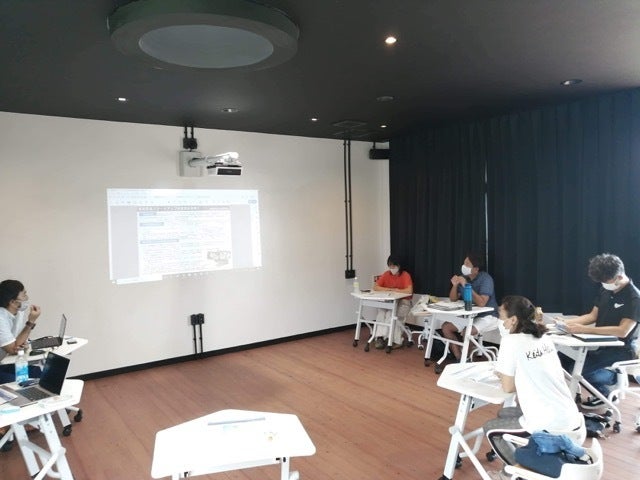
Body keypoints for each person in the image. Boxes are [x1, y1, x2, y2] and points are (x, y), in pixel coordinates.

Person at [484, 295, 586, 478]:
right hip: (571, 417)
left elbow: (507, 387)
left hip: (549, 424)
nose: (500, 322)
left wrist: (504, 375)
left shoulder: (511, 341)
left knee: (490, 429)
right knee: (504, 413)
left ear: (513, 320)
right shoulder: (543, 336)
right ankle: (526, 457)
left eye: (501, 316)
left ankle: (517, 473)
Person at [559, 253, 640, 408]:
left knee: (578, 371)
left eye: (606, 281)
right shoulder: (606, 290)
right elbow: (592, 316)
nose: (604, 284)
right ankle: (603, 383)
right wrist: (565, 323)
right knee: (560, 358)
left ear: (619, 277)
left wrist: (584, 329)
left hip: (621, 349)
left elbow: (623, 331)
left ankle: (610, 384)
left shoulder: (634, 298)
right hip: (600, 345)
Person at [440, 251, 499, 363]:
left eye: (467, 264)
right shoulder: (463, 277)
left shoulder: (486, 279)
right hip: (469, 316)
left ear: (475, 269)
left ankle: (465, 359)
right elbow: (453, 299)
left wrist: (467, 286)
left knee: (467, 331)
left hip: (488, 316)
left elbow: (482, 303)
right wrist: (455, 285)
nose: (464, 266)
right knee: (446, 327)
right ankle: (460, 358)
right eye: (464, 263)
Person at [0, 279, 43, 383]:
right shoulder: (1, 318)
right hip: (2, 364)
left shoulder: (18, 312)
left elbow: (18, 344)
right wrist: (31, 322)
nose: (27, 298)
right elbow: (13, 349)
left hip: (4, 362)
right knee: (22, 382)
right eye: (24, 295)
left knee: (38, 372)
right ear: (12, 302)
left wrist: (23, 344)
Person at [372, 256, 413, 349]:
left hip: (404, 302)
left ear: (399, 266)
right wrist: (389, 289)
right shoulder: (386, 274)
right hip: (390, 301)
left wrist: (396, 290)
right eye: (390, 266)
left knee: (393, 315)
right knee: (381, 313)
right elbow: (375, 287)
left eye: (394, 266)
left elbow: (409, 291)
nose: (392, 268)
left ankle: (396, 340)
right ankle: (380, 337)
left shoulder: (405, 275)